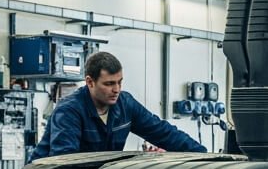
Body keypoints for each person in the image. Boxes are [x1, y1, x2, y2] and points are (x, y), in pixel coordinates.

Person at [28, 51, 205, 161]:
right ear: (90, 82)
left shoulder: (126, 105)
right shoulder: (69, 111)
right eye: (109, 83)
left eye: (120, 82)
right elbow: (64, 162)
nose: (116, 89)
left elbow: (164, 133)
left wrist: (204, 156)